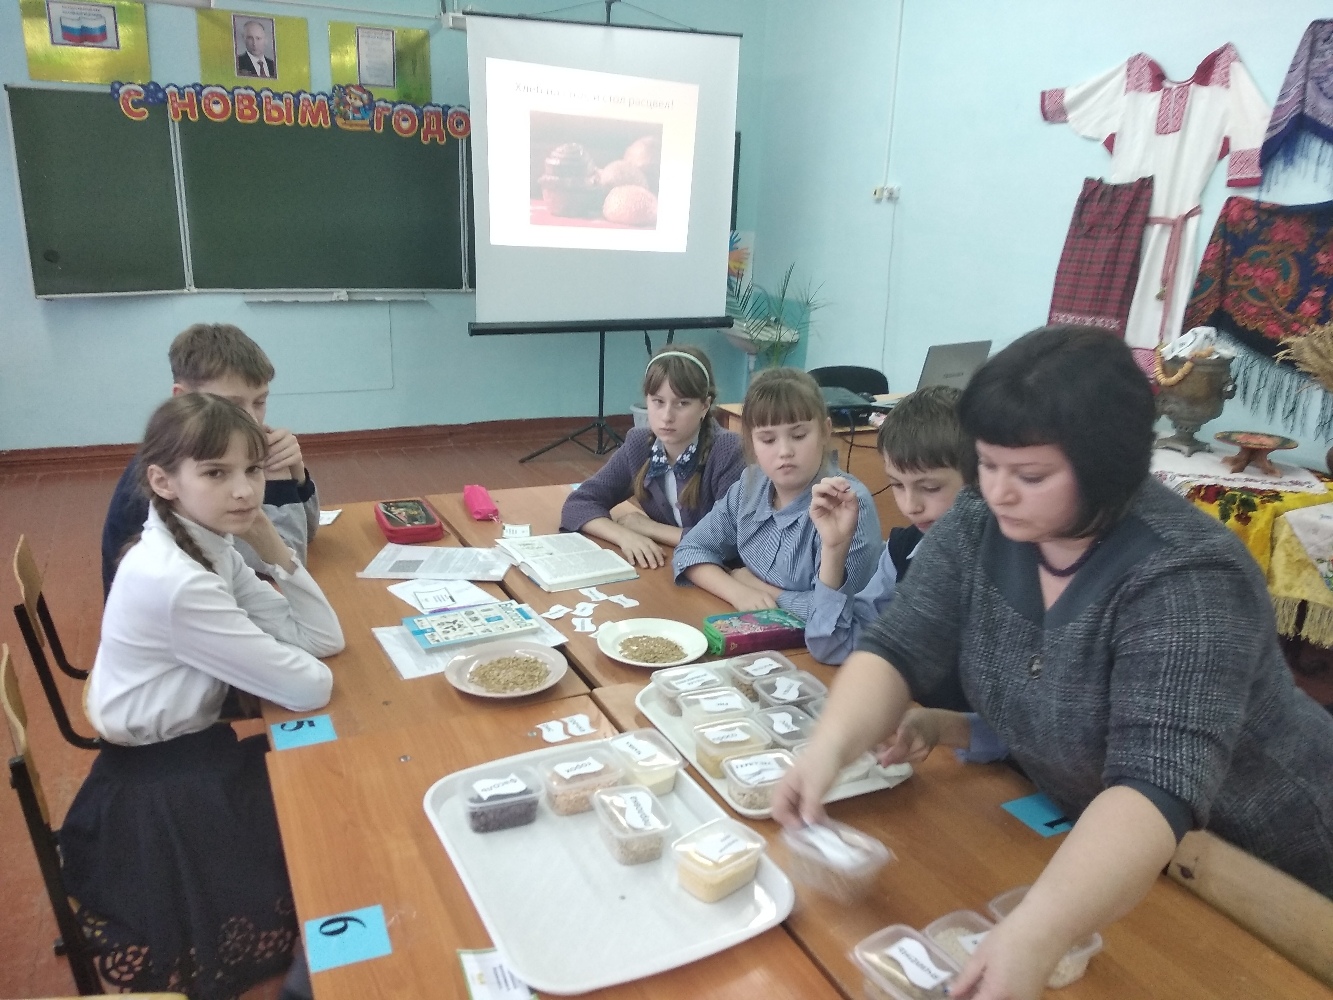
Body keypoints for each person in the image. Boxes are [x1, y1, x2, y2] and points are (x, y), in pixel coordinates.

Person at [774, 325, 1333, 1000]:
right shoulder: (982, 523)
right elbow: (898, 646)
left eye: (1030, 476)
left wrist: (1038, 933)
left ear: (1105, 467)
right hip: (1114, 860)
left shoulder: (1187, 576)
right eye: (987, 465)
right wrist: (827, 752)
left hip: (1266, 863)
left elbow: (1153, 785)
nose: (998, 492)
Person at [61, 393, 344, 998]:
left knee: (328, 788)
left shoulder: (202, 540)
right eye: (216, 473)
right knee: (333, 816)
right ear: (163, 481)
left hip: (185, 756)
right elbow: (310, 685)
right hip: (159, 795)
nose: (243, 491)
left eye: (252, 470)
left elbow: (322, 640)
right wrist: (281, 649)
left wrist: (271, 543)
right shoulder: (178, 579)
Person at [101, 322, 318, 597]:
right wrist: (280, 484)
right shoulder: (187, 475)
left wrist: (297, 476)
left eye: (259, 402)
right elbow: (284, 560)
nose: (251, 420)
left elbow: (307, 536)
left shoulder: (216, 456)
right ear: (183, 398)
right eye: (231, 405)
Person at [673, 367, 882, 616]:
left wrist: (756, 586)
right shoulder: (751, 485)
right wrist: (737, 591)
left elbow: (836, 615)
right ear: (751, 441)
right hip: (758, 625)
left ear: (825, 431)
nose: (784, 452)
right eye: (768, 440)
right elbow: (690, 549)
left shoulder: (847, 504)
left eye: (799, 435)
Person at [805, 385, 969, 665]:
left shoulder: (1003, 564)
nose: (910, 506)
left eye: (930, 487)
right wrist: (834, 548)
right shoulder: (903, 549)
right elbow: (834, 646)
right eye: (897, 485)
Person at [560, 346, 745, 568]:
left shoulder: (729, 450)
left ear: (704, 406)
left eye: (682, 403)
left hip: (723, 572)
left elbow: (727, 541)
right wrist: (624, 535)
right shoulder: (639, 444)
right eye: (658, 401)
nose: (667, 416)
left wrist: (649, 528)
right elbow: (579, 503)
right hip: (674, 563)